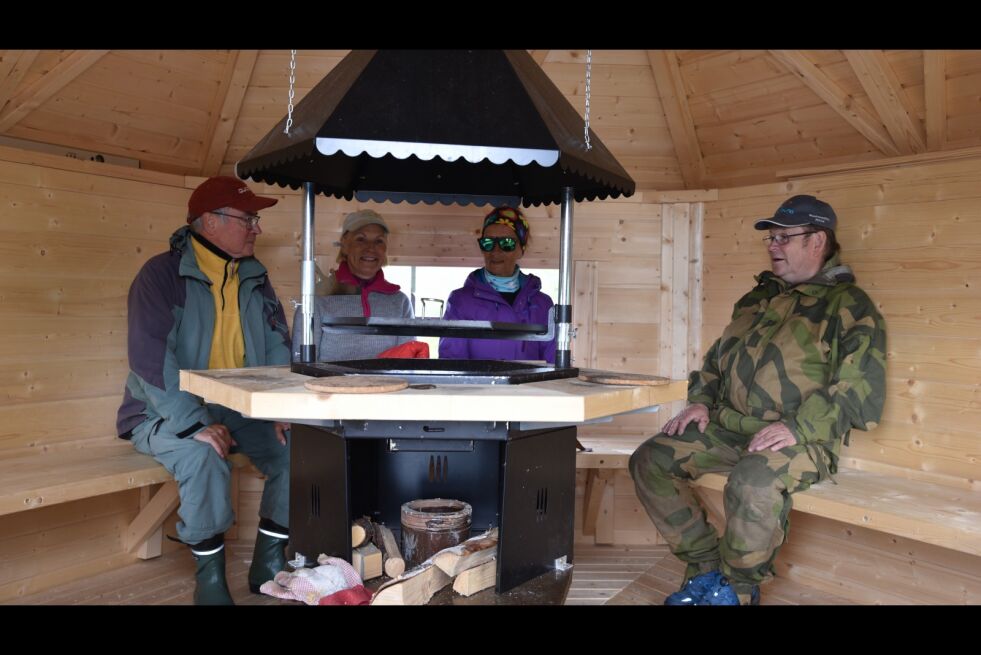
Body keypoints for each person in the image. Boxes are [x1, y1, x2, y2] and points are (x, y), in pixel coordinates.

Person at [628, 195, 887, 605]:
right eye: (771, 238)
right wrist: (700, 402)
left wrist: (797, 427)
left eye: (784, 237)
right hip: (728, 429)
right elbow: (716, 360)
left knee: (752, 483)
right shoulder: (756, 299)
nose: (772, 245)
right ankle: (704, 569)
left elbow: (861, 389)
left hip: (800, 440)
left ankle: (737, 590)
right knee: (649, 459)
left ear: (817, 241)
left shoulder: (848, 307)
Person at [116, 176, 292, 605]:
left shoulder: (254, 277)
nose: (257, 227)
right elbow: (150, 359)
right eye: (248, 217)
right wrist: (194, 422)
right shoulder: (161, 275)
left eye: (256, 218)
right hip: (159, 409)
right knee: (204, 454)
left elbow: (276, 346)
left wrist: (284, 405)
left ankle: (269, 560)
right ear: (209, 222)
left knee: (301, 449)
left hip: (238, 405)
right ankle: (209, 578)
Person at [292, 209, 419, 362]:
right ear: (345, 244)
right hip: (328, 386)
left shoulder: (400, 302)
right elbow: (302, 366)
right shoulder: (317, 300)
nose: (370, 248)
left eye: (379, 241)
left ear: (385, 249)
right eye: (361, 239)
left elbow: (406, 364)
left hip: (387, 386)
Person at [438, 206, 556, 363]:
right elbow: (451, 363)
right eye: (488, 243)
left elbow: (553, 364)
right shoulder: (461, 301)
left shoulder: (542, 304)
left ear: (521, 249)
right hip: (476, 388)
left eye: (506, 243)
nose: (495, 251)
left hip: (531, 388)